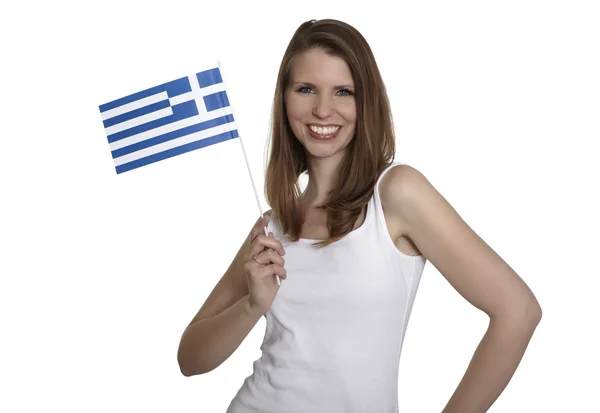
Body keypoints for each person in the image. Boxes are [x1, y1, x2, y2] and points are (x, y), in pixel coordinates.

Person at [177, 18, 542, 413]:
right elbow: (190, 359)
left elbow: (518, 312)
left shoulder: (397, 193)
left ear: (366, 102)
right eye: (306, 89)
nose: (322, 109)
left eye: (343, 92)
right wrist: (251, 306)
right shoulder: (274, 225)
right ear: (284, 99)